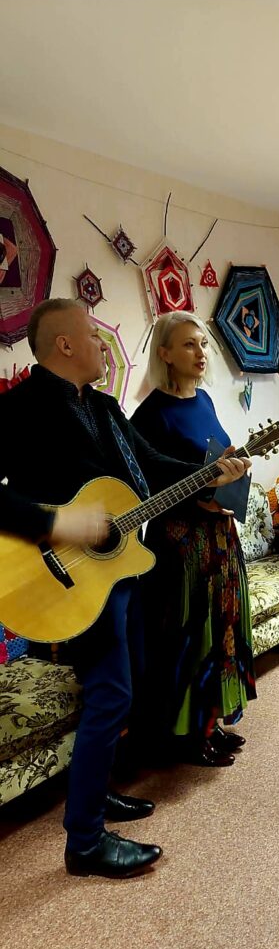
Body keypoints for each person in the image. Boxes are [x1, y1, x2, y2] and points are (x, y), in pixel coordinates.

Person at [0, 298, 249, 879]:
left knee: (126, 683)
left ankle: (97, 788)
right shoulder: (21, 407)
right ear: (64, 344)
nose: (101, 345)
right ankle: (85, 843)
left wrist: (213, 474)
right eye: (91, 335)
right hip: (63, 578)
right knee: (112, 692)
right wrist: (55, 523)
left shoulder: (105, 407)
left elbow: (154, 465)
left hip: (117, 571)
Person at [131, 311, 256, 767]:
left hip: (219, 535)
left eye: (203, 344)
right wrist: (200, 496)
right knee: (189, 636)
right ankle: (184, 735)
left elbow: (210, 463)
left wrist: (232, 474)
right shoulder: (149, 414)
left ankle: (209, 722)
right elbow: (146, 483)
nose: (201, 353)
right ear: (164, 353)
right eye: (189, 344)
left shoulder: (203, 399)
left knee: (221, 629)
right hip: (181, 543)